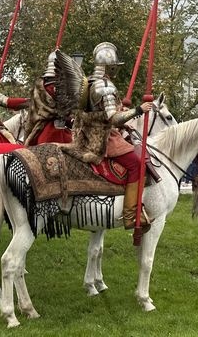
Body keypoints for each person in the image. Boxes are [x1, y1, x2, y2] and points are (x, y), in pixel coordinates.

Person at [60, 42, 153, 232]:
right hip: (103, 138)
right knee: (137, 164)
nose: (116, 70)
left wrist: (121, 113)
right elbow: (113, 118)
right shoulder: (105, 86)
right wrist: (138, 110)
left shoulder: (91, 81)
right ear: (110, 67)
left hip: (87, 134)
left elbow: (103, 113)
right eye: (115, 67)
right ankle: (130, 214)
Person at [24, 51, 72, 146]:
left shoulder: (39, 87)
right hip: (57, 134)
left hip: (40, 131)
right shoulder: (59, 87)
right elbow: (66, 110)